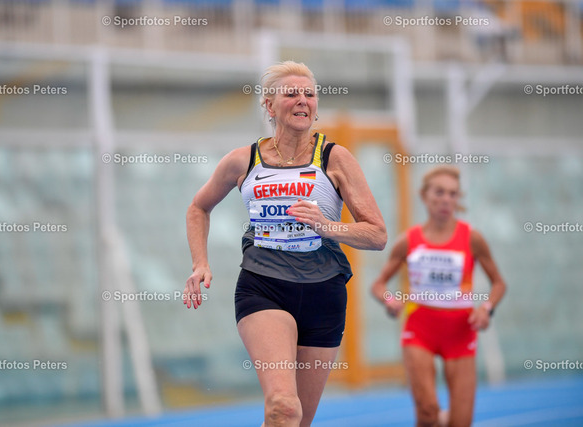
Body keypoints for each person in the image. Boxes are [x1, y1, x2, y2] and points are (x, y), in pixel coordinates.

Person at [184, 61, 386, 427]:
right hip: (264, 287)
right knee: (283, 407)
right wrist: (200, 263)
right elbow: (199, 207)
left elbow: (377, 235)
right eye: (291, 93)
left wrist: (327, 226)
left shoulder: (335, 158)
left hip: (323, 292)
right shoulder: (243, 160)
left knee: (297, 421)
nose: (302, 100)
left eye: (309, 94)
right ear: (269, 105)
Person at [370, 165, 506, 427]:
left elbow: (499, 283)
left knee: (460, 422)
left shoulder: (472, 238)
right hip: (420, 331)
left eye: (453, 194)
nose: (446, 200)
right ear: (425, 196)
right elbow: (378, 284)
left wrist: (486, 309)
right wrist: (390, 301)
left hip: (461, 333)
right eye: (439, 192)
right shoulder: (409, 240)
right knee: (427, 412)